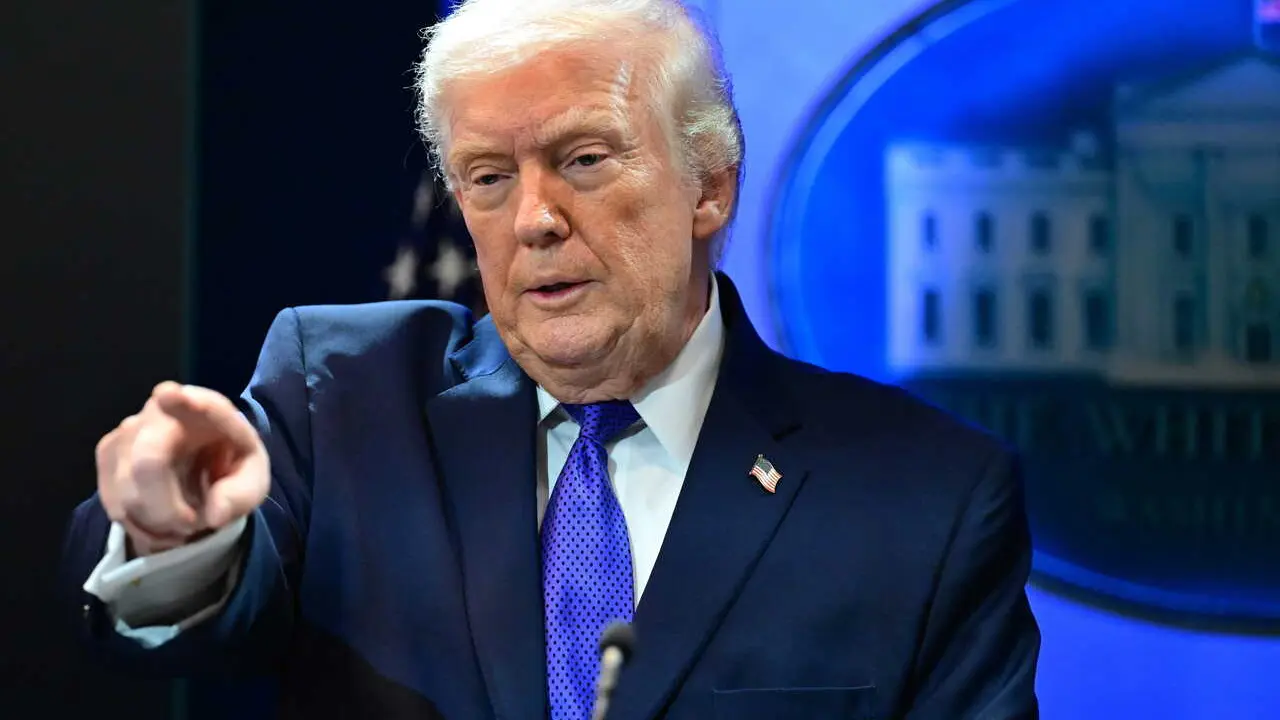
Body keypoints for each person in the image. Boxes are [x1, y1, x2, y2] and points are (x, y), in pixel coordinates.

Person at [62, 0, 1041, 717]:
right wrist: (167, 535)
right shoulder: (345, 398)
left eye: (582, 160)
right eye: (488, 178)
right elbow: (174, 629)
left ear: (709, 186)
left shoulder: (926, 498)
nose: (532, 219)